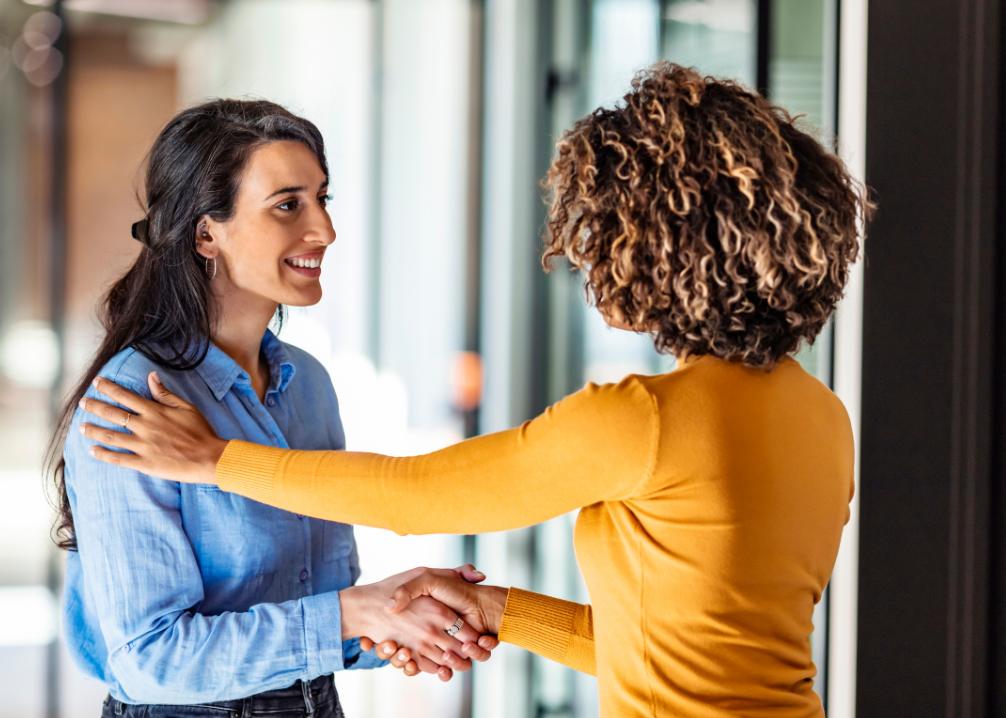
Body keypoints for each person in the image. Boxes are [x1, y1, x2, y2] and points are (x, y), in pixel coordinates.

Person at [79, 64, 873, 717]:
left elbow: (418, 495)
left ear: (657, 242)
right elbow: (669, 649)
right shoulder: (823, 417)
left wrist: (217, 460)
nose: (588, 260)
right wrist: (489, 612)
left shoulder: (648, 420)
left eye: (599, 231)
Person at [50, 99, 496, 718]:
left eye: (322, 199)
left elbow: (318, 606)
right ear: (206, 232)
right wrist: (352, 612)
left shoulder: (307, 384)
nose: (324, 231)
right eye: (288, 205)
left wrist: (401, 618)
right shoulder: (131, 403)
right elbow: (149, 660)